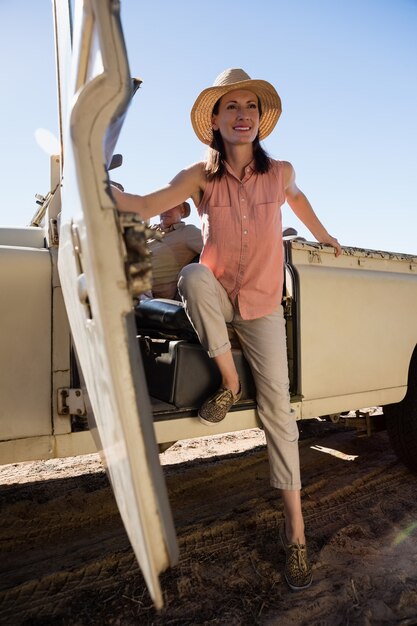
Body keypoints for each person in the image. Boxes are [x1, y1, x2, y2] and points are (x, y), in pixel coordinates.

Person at [111, 67, 342, 591]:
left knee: (279, 412)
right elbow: (147, 204)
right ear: (214, 120)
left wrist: (325, 235)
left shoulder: (279, 171)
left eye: (250, 107)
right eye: (232, 107)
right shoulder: (200, 175)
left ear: (260, 120)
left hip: (260, 307)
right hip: (216, 293)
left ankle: (296, 530)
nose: (243, 115)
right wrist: (98, 188)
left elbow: (300, 202)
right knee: (193, 273)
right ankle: (228, 382)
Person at [144, 202, 202, 300]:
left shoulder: (188, 232)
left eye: (171, 206)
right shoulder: (151, 230)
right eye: (162, 206)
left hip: (150, 296)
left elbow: (217, 250)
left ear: (182, 210)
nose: (166, 209)